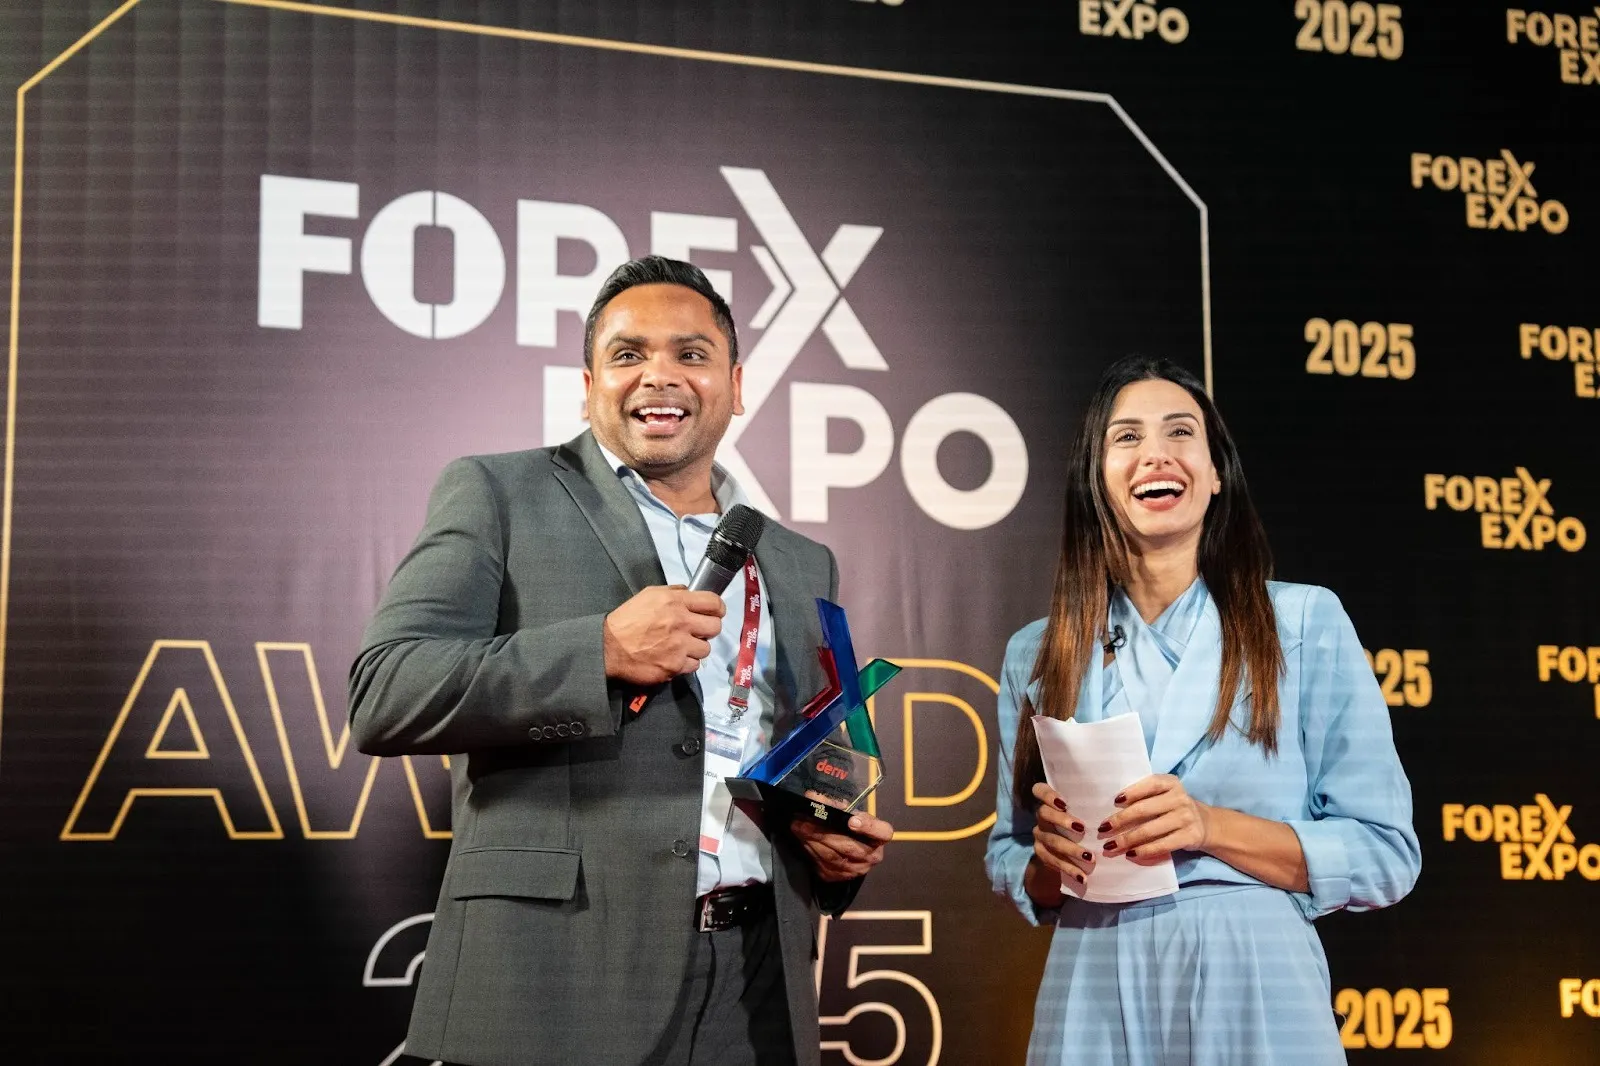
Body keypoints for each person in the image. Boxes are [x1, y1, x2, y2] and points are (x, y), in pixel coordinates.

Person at [348, 256, 894, 1066]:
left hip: (754, 988)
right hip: (555, 982)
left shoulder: (799, 560)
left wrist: (827, 839)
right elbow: (386, 691)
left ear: (736, 386)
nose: (659, 375)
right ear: (589, 386)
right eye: (629, 354)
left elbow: (801, 754)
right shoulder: (499, 494)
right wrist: (599, 650)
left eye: (691, 353)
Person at [984, 355, 1421, 1065]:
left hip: (1256, 976)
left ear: (1216, 473)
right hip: (1091, 974)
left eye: (1180, 432)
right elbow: (1013, 857)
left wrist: (1209, 827)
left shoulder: (1302, 623)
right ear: (1094, 477)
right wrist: (1049, 863)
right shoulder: (1038, 651)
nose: (1155, 453)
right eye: (1126, 437)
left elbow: (1385, 853)